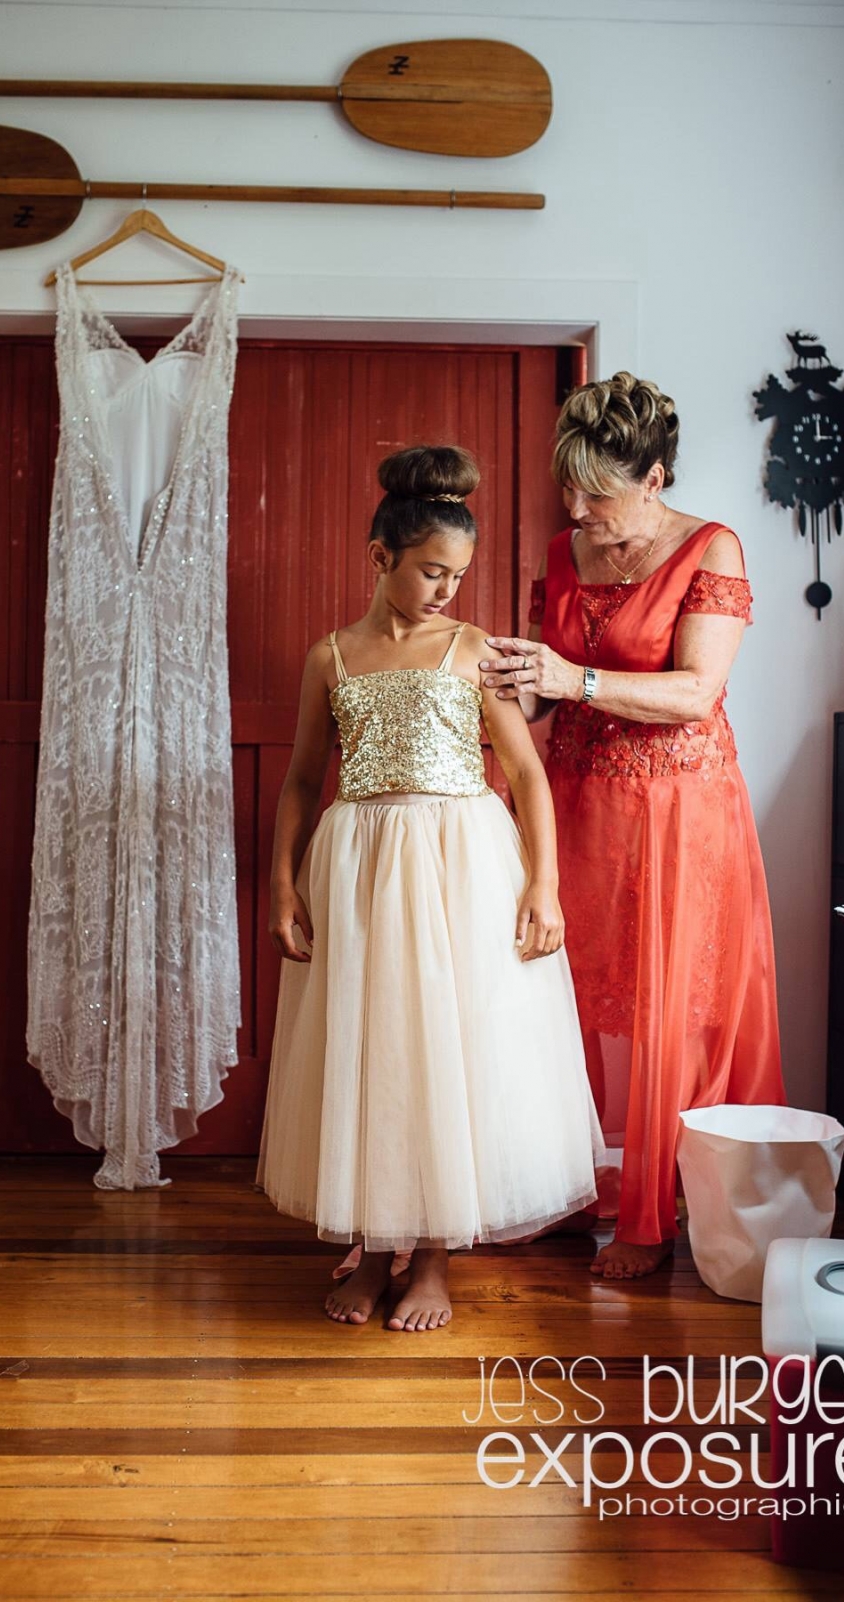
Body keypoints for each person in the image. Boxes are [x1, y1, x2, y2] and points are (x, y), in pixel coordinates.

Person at [256, 445, 604, 1331]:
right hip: (363, 866)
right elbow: (302, 780)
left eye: (460, 575)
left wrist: (545, 888)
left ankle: (436, 1259)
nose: (449, 589)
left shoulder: (474, 652)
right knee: (375, 1049)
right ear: (381, 561)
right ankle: (376, 1250)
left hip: (461, 865)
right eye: (432, 572)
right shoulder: (331, 658)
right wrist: (283, 885)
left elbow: (525, 776)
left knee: (450, 1047)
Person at [479, 372, 785, 1280]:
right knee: (556, 996)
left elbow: (697, 692)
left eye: (598, 491)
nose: (578, 508)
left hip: (678, 812)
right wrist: (480, 699)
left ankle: (651, 1219)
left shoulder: (713, 550)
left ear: (654, 478)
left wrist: (570, 679)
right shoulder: (565, 549)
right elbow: (543, 694)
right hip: (573, 803)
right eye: (568, 487)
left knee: (665, 1013)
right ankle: (565, 1192)